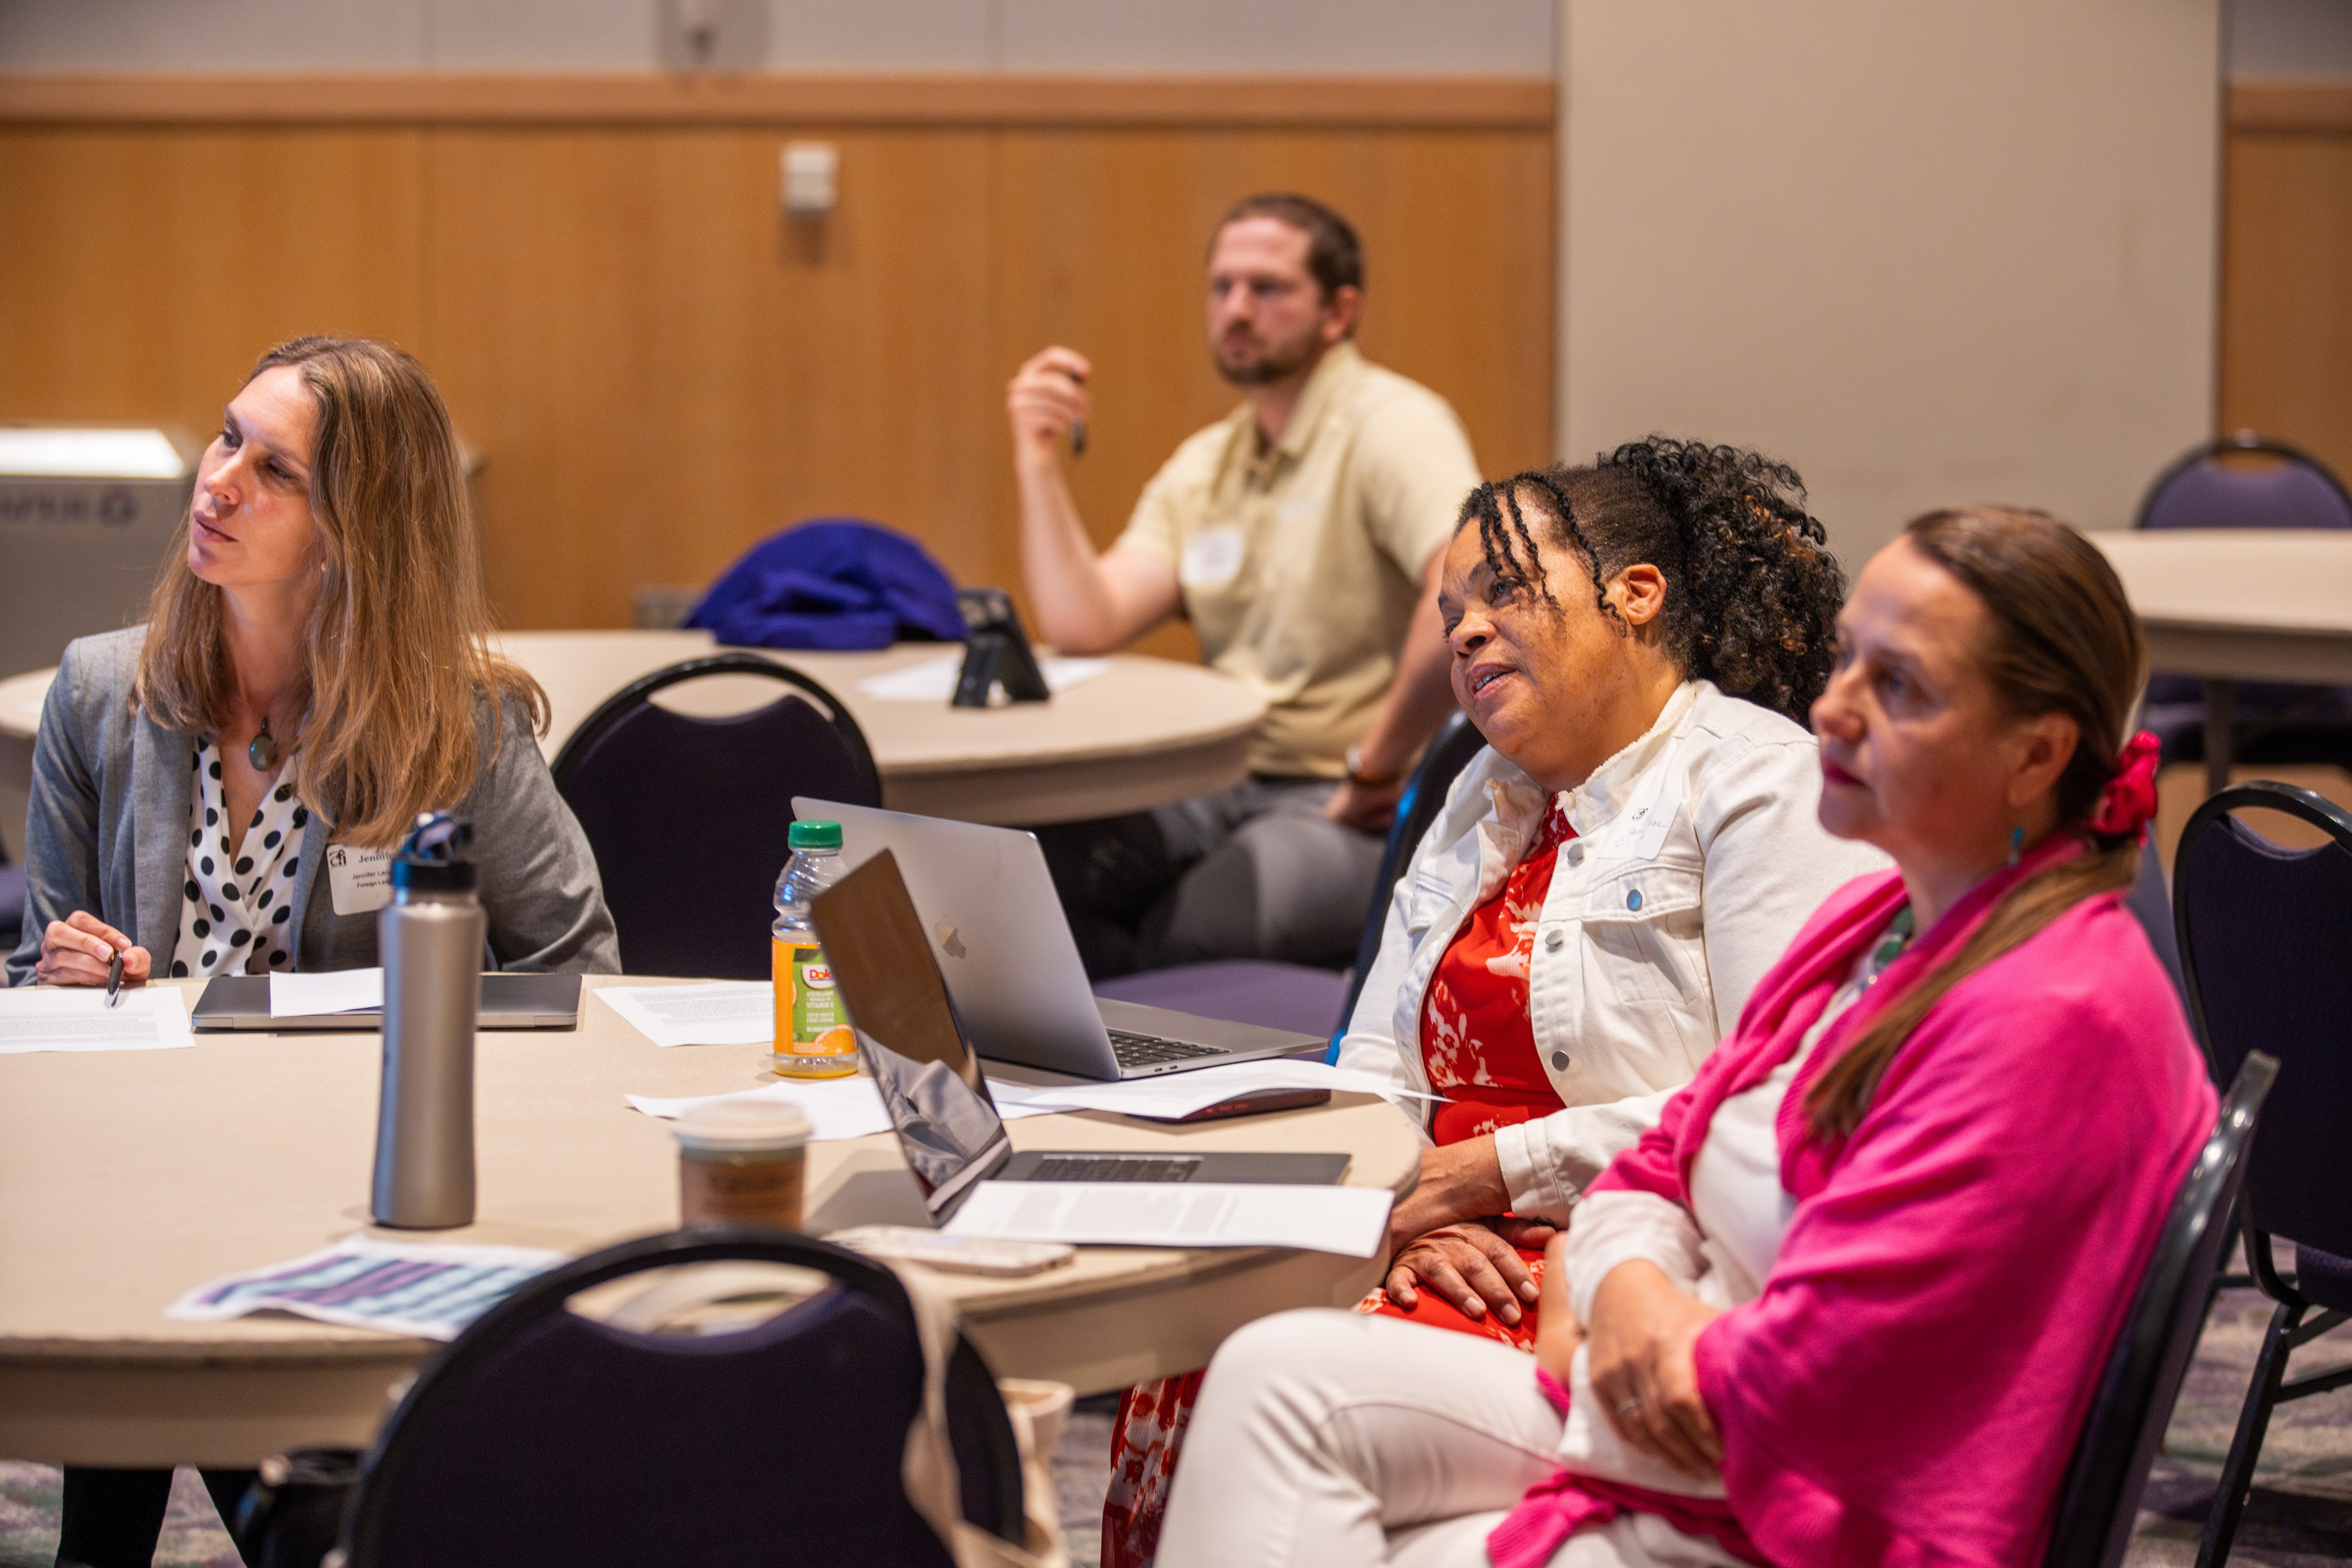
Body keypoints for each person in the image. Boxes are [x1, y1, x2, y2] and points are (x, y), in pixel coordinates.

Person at [1152, 507, 2215, 1568]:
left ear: (2036, 753)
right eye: (1847, 660)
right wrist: (1621, 1280)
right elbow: (1664, 1156)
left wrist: (1588, 1321)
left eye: (1898, 686)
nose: (1833, 708)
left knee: (1305, 1446)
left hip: (1798, 1495)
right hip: (1670, 1356)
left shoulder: (2051, 1015)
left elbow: (1827, 1389)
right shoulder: (1881, 929)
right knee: (1269, 1375)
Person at [1102, 440, 1888, 1566]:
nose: (1463, 631)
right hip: (1441, 1232)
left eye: (1503, 590)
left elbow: (1769, 1106)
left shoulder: (1760, 783)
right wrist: (1389, 1224)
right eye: (1448, 612)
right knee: (1188, 1342)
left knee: (1244, 1363)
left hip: (1623, 1263)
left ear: (1635, 594)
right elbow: (1373, 1060)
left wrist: (1471, 1179)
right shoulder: (1486, 790)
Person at [7, 336, 618, 1567]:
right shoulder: (100, 695)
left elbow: (585, 969)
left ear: (358, 529)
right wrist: (68, 972)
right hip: (134, 1160)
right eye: (226, 437)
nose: (218, 481)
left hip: (335, 1179)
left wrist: (407, 1003)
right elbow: (33, 987)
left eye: (275, 469)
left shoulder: (456, 722)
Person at [1006, 193, 1478, 974]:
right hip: (1214, 779)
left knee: (1200, 926)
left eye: (1267, 288)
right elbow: (1085, 619)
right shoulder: (1211, 460)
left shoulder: (1391, 424)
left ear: (1338, 312)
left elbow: (1467, 584)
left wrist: (1379, 762)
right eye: (1222, 287)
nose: (1236, 308)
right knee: (1040, 876)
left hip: (1343, 793)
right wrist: (1036, 458)